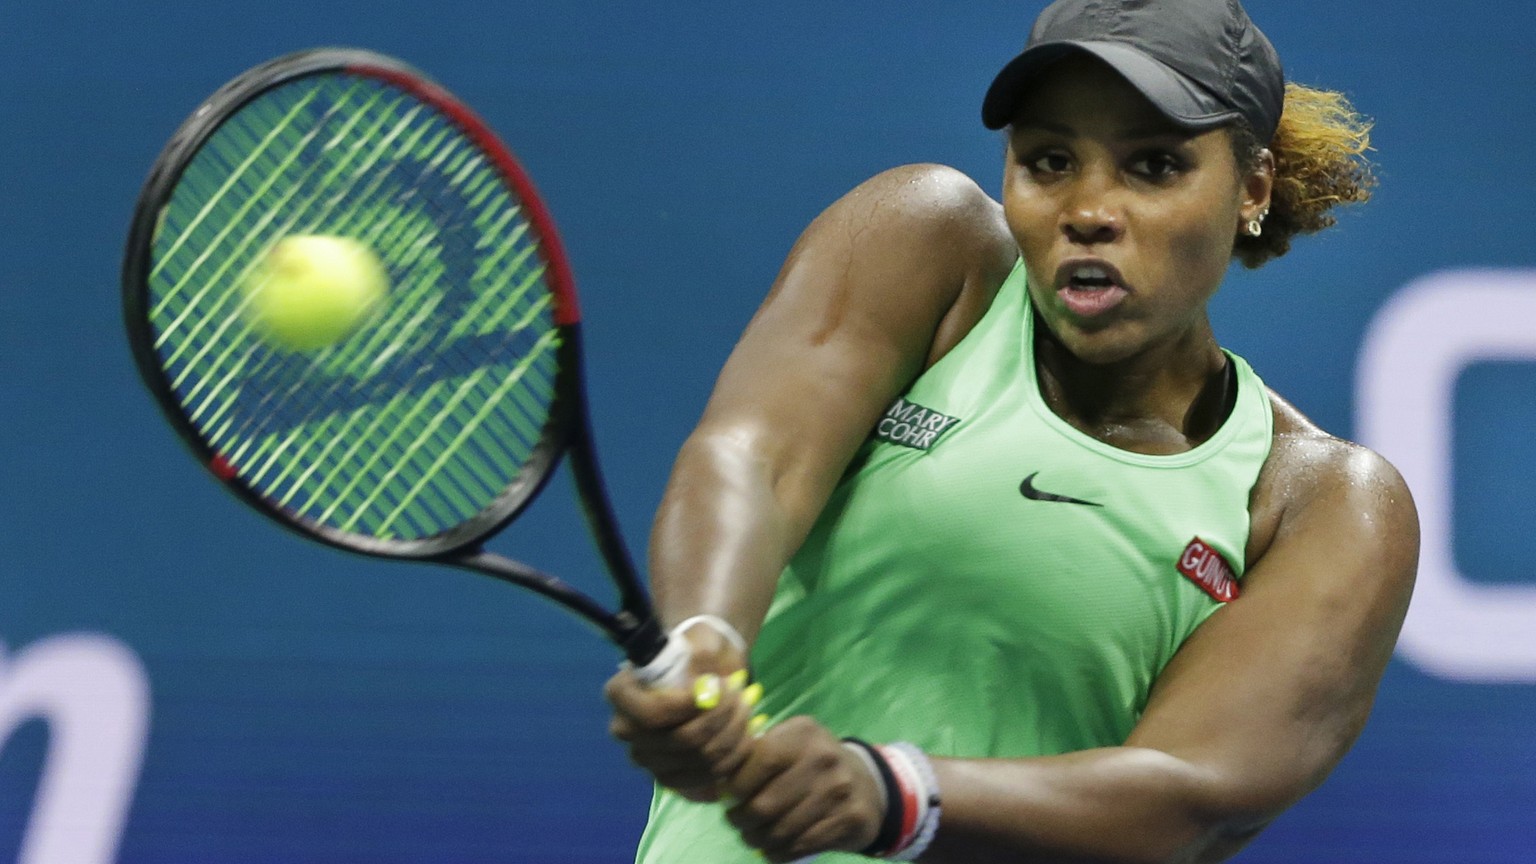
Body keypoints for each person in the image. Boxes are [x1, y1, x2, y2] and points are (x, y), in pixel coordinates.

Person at [604, 0, 1418, 861]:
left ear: (1251, 187)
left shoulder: (1322, 503)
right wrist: (704, 638)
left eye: (1153, 166)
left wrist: (896, 792)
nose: (1090, 210)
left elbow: (1192, 796)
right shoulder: (925, 242)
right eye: (1050, 161)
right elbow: (753, 457)